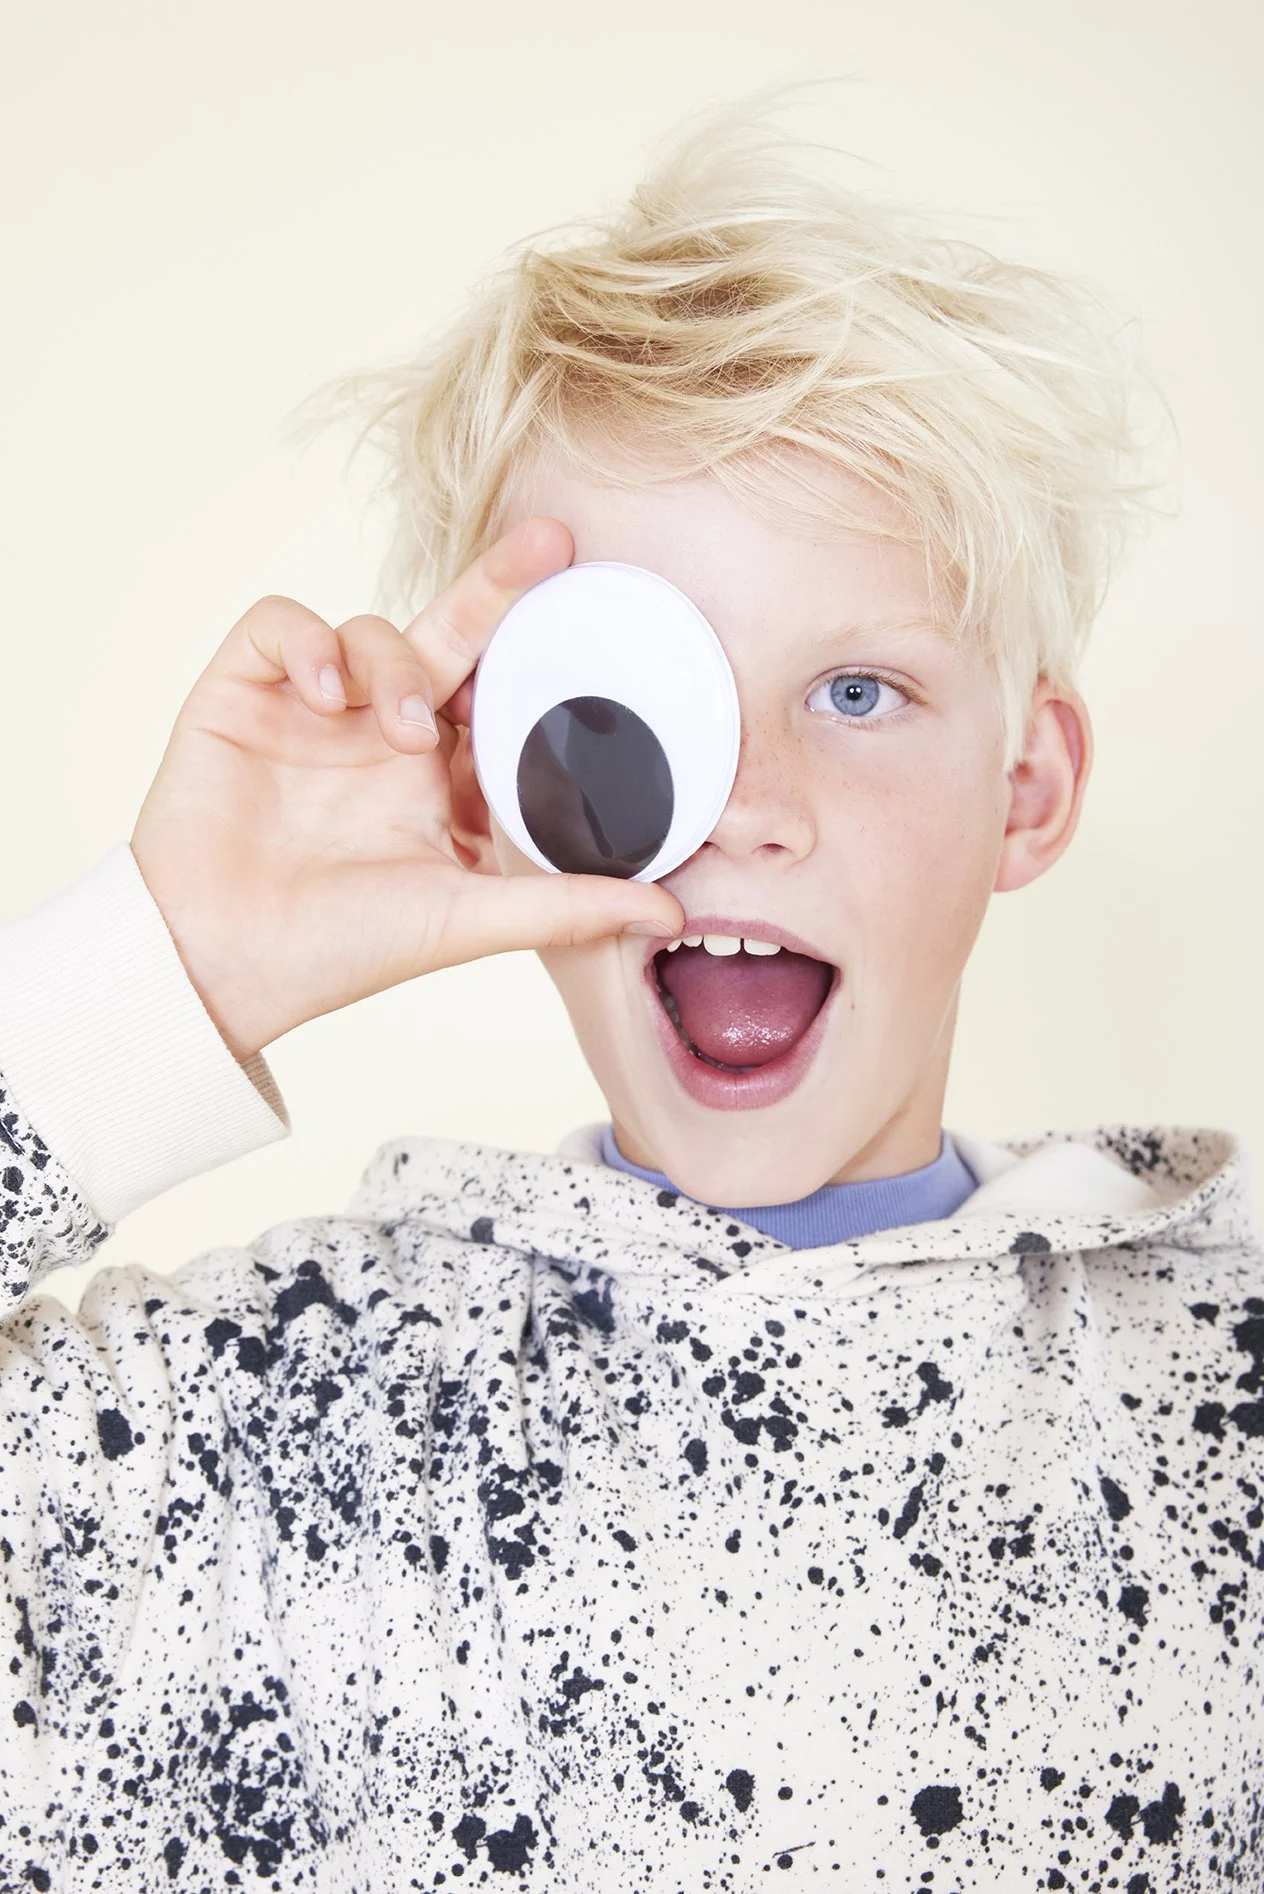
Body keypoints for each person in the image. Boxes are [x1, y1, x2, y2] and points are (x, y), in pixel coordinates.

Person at [1, 112, 1258, 1894]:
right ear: (486, 778)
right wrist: (173, 961)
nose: (745, 804)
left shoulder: (1226, 1390)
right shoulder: (252, 1432)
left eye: (856, 689)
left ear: (1028, 791)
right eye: (631, 707)